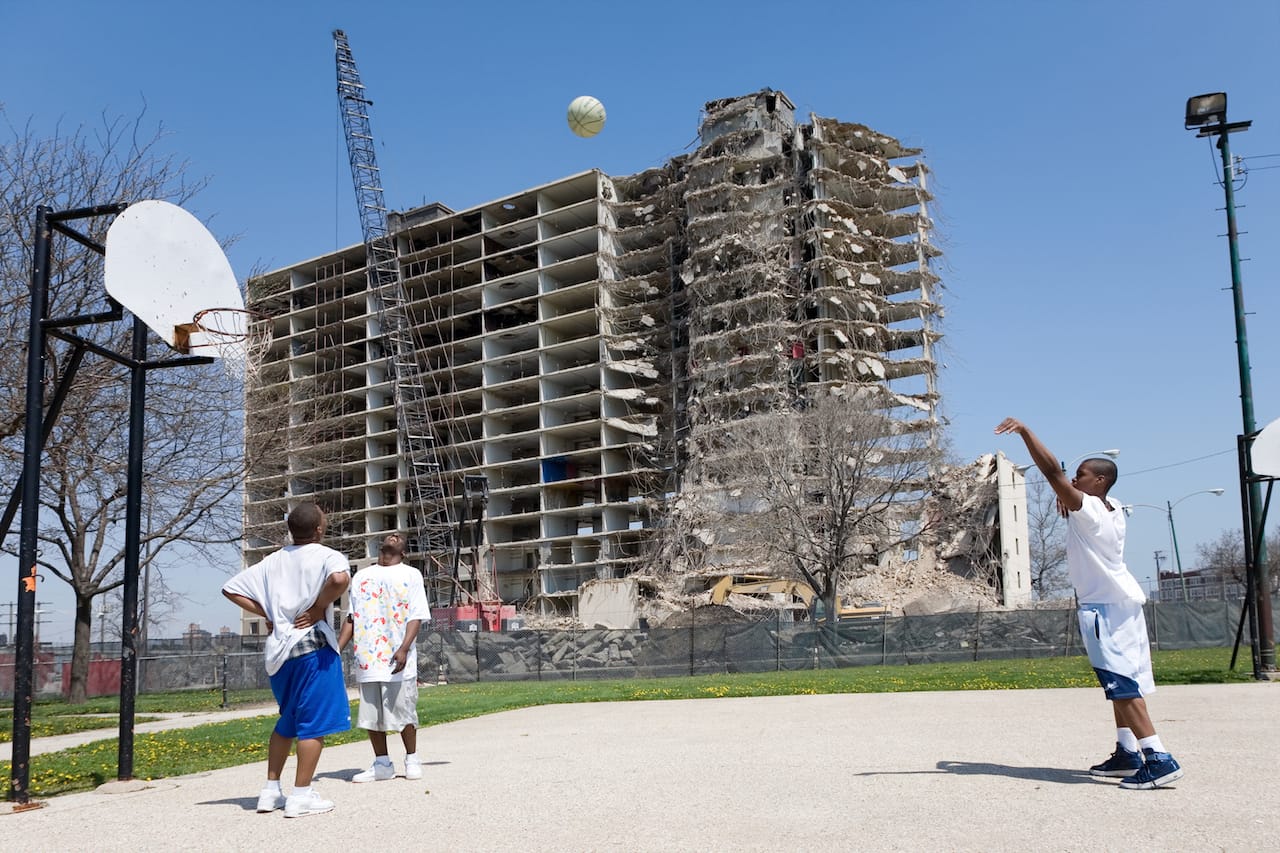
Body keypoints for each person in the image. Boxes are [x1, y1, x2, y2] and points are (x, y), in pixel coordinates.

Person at [995, 418, 1184, 789]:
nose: (1075, 480)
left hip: (1105, 608)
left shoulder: (1093, 510)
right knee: (1123, 681)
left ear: (1099, 481)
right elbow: (1069, 493)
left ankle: (1158, 757)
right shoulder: (1112, 506)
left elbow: (1051, 472)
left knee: (1120, 683)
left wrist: (1026, 433)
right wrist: (1069, 498)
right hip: (1121, 602)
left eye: (1081, 475)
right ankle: (1128, 753)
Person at [222, 502, 352, 817]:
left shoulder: (272, 561)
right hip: (312, 648)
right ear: (319, 529)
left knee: (288, 722)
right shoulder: (327, 555)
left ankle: (270, 791)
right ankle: (301, 796)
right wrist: (320, 606)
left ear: (291, 530)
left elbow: (230, 589)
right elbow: (339, 579)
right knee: (313, 725)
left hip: (279, 654)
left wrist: (268, 612)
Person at [338, 532, 431, 783]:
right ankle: (382, 764)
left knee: (404, 711)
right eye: (390, 534)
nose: (394, 534)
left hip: (398, 657)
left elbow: (416, 615)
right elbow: (352, 617)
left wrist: (404, 647)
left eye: (399, 536)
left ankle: (412, 758)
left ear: (403, 552)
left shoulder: (411, 574)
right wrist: (336, 649)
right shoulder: (362, 576)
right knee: (371, 716)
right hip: (368, 657)